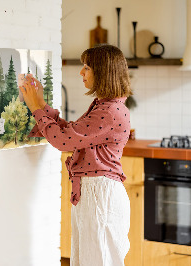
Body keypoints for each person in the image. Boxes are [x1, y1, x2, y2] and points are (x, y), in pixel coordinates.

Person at [20, 44, 132, 266]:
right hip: (95, 193)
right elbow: (71, 133)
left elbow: (63, 141)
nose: (81, 72)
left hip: (100, 196)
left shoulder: (109, 111)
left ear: (103, 72)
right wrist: (41, 104)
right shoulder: (105, 106)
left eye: (87, 67)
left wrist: (35, 108)